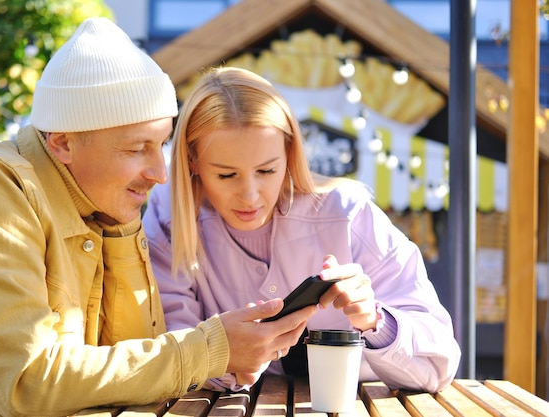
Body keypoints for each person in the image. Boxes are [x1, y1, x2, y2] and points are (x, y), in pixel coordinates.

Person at [0, 19, 316, 417]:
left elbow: (133, 363)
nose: (160, 173)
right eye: (136, 149)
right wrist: (213, 349)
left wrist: (122, 226)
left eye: (161, 144)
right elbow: (30, 383)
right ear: (62, 143)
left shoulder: (102, 201)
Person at [143, 66, 462, 393]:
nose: (250, 195)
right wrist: (227, 354)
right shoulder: (168, 216)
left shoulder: (348, 213)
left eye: (267, 170)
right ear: (192, 162)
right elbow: (171, 357)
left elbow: (438, 366)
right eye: (226, 175)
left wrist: (376, 321)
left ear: (290, 153)